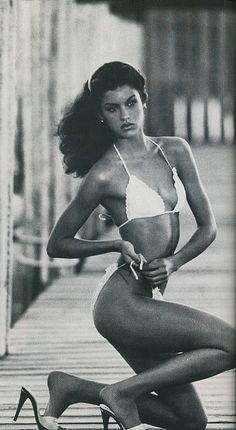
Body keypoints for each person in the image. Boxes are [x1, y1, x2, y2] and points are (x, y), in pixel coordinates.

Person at [14, 61, 235, 430]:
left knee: (190, 421)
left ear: (144, 101)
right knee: (231, 342)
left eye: (131, 103)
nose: (125, 115)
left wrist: (174, 262)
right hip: (121, 303)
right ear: (101, 115)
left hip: (147, 300)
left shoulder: (175, 150)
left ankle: (72, 387)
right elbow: (57, 244)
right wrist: (115, 244)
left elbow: (208, 228)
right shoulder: (104, 173)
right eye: (111, 108)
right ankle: (120, 393)